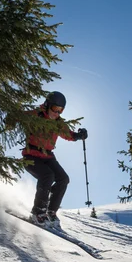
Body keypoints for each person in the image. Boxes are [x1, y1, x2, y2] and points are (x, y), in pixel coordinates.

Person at [16, 91, 87, 228]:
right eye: (55, 109)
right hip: (31, 155)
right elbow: (19, 117)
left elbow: (69, 135)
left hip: (48, 156)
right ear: (47, 105)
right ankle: (38, 212)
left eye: (61, 110)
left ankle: (51, 211)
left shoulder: (58, 123)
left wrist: (80, 135)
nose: (57, 113)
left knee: (63, 179)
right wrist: (11, 119)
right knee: (48, 175)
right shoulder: (36, 115)